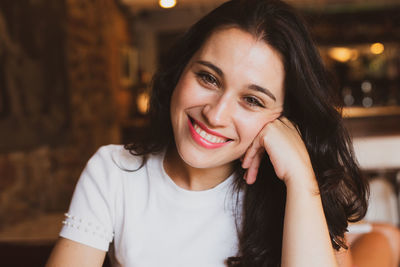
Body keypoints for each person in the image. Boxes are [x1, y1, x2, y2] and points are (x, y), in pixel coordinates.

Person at [46, 0, 369, 266]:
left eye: (252, 100)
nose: (215, 115)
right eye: (208, 78)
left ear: (283, 121)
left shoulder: (304, 190)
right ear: (180, 71)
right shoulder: (114, 171)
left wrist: (300, 178)